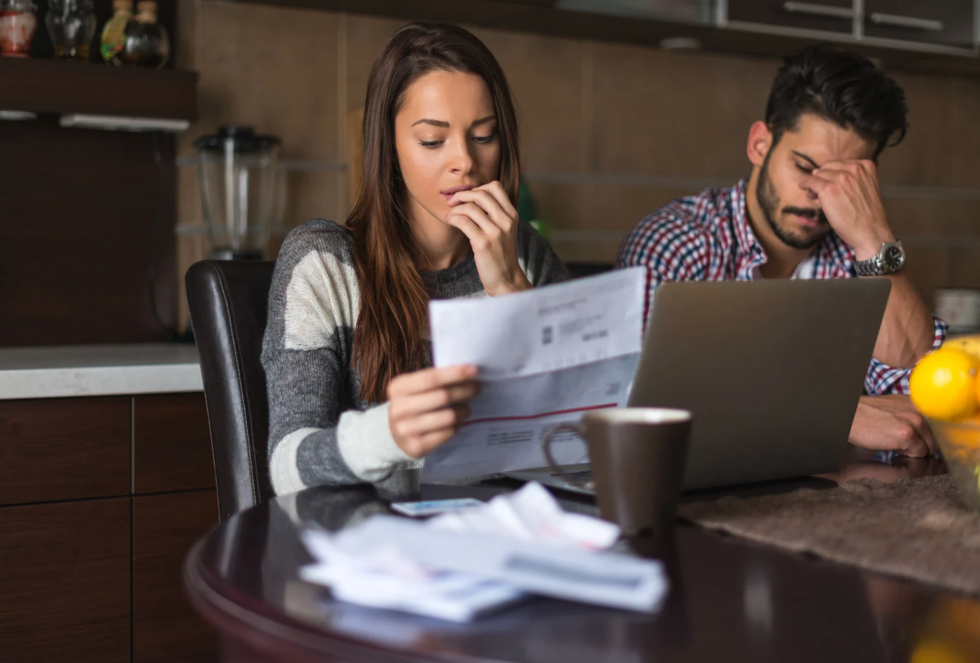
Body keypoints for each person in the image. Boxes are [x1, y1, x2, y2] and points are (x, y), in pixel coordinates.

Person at [262, 22, 569, 495]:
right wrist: (388, 435)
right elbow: (287, 468)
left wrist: (511, 289)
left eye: (483, 136)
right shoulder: (324, 264)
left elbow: (578, 439)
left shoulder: (525, 254)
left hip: (503, 537)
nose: (464, 161)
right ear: (389, 145)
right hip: (376, 547)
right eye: (432, 140)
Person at [617, 45, 945, 458]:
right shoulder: (678, 242)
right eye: (806, 167)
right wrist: (839, 414)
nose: (817, 194)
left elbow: (930, 404)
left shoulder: (858, 257)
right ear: (759, 144)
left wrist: (873, 237)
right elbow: (641, 412)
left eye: (843, 179)